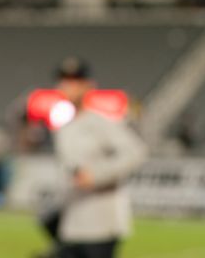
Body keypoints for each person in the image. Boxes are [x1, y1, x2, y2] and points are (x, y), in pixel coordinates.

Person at [51, 57, 147, 258]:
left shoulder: (100, 122)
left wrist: (96, 175)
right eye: (64, 81)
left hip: (101, 223)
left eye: (75, 81)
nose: (68, 86)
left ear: (88, 85)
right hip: (73, 222)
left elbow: (135, 152)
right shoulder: (64, 128)